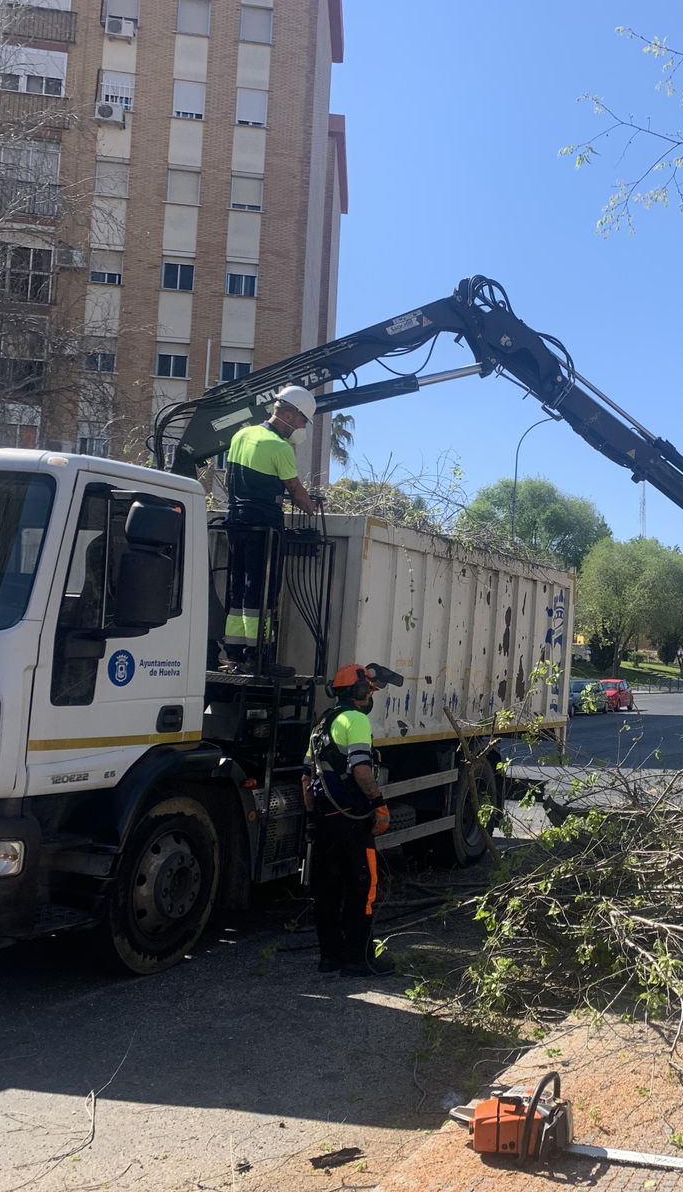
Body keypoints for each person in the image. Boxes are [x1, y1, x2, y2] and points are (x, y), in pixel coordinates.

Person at [302, 663, 397, 977]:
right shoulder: (355, 720)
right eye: (368, 690)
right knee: (362, 888)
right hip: (353, 822)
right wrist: (379, 804)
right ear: (358, 692)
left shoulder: (322, 724)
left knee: (327, 889)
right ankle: (358, 959)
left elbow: (306, 777)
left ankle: (330, 957)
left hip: (324, 820)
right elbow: (361, 769)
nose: (370, 695)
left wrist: (312, 815)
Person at [221, 384, 321, 674]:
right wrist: (311, 509)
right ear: (290, 415)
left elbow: (230, 479)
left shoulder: (242, 435)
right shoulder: (280, 447)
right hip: (264, 525)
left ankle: (234, 653)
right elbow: (296, 491)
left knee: (237, 583)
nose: (303, 427)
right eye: (303, 420)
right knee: (263, 587)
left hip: (235, 521)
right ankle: (259, 655)